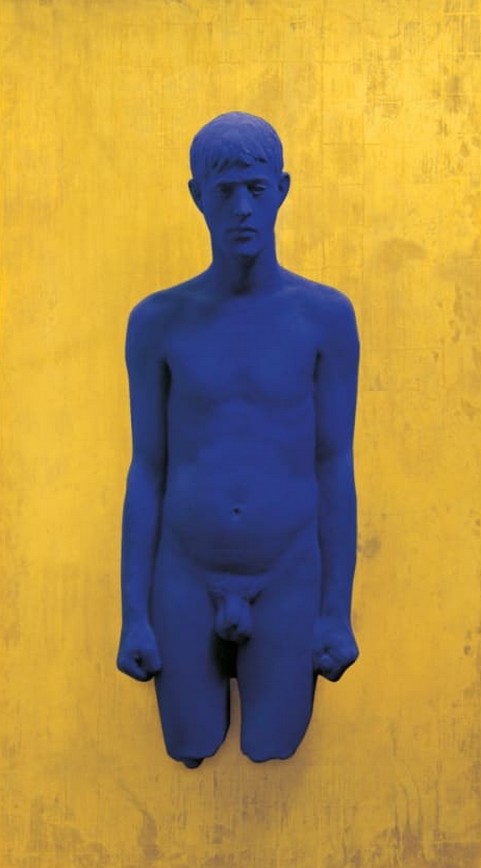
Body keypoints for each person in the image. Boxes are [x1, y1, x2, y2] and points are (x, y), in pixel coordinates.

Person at [117, 112, 360, 767]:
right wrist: (134, 615)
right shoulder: (158, 321)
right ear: (197, 196)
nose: (243, 208)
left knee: (270, 747)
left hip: (286, 573)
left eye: (256, 188)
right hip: (185, 574)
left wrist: (335, 612)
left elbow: (334, 466)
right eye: (224, 192)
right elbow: (147, 469)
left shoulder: (325, 318)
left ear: (282, 188)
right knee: (189, 744)